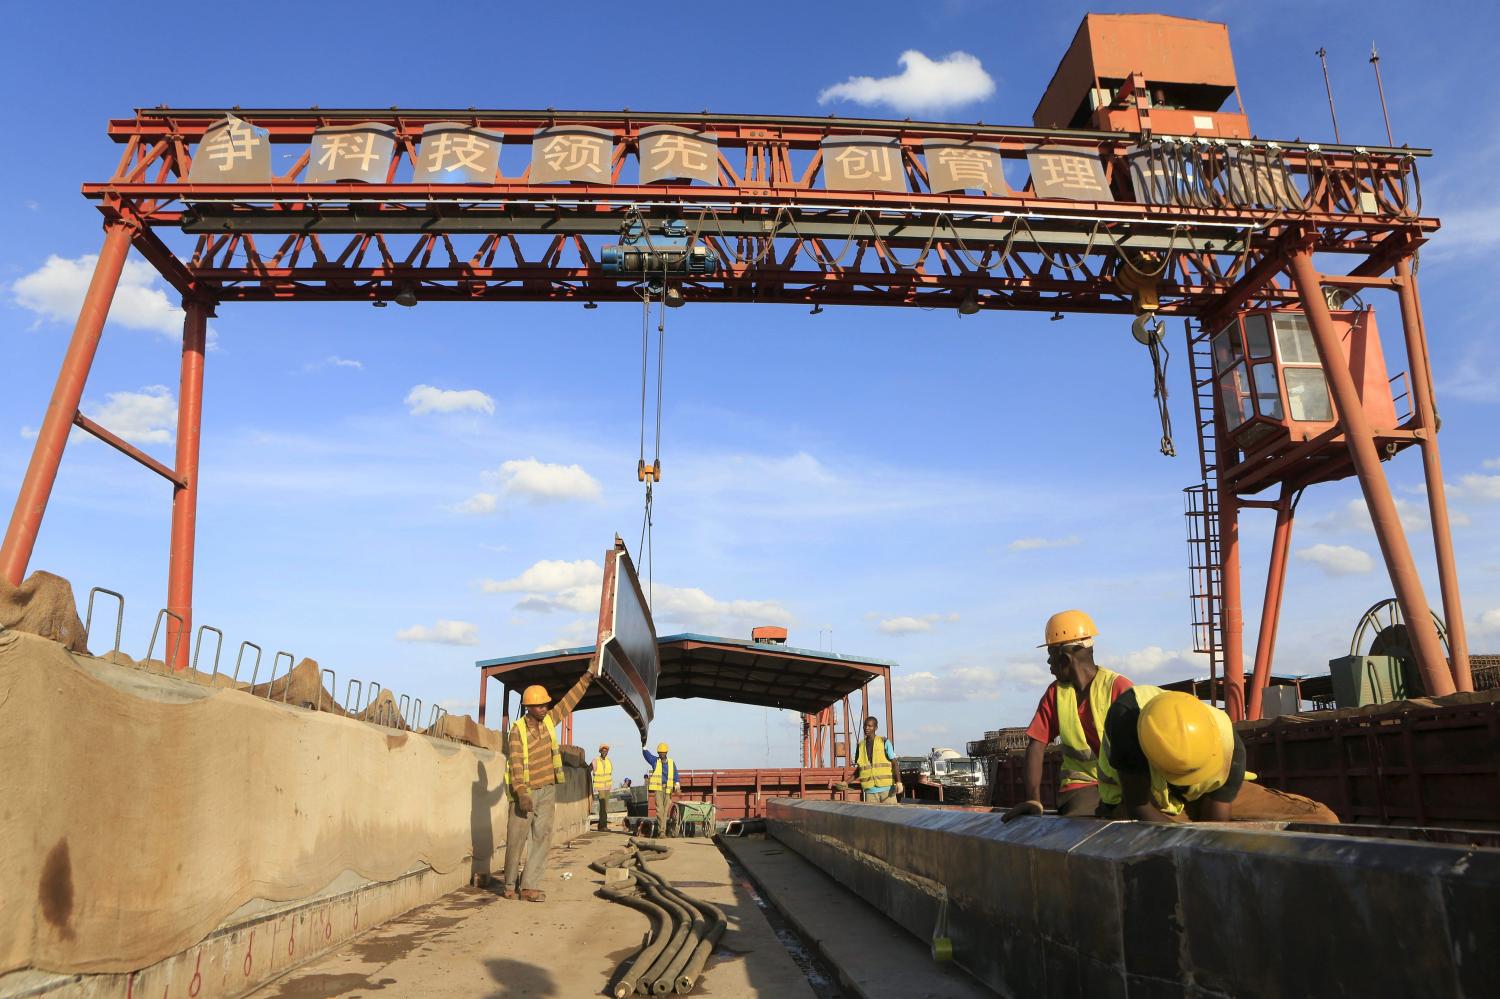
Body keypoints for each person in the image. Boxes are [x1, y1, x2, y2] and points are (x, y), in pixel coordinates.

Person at [1098, 686, 1338, 823]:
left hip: (1202, 796)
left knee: (1321, 819)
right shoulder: (1126, 720)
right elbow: (1139, 806)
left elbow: (1215, 826)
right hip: (1148, 804)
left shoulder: (1228, 743)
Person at [1002, 610, 1133, 821]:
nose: (1048, 663)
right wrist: (1034, 801)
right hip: (1082, 787)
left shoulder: (1117, 688)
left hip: (1125, 783)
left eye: (1050, 655)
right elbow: (1036, 746)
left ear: (1065, 657)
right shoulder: (1056, 694)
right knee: (1082, 828)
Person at [502, 670, 592, 901]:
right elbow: (515, 763)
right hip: (526, 791)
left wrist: (587, 676)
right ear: (529, 707)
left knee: (541, 838)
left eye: (545, 705)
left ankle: (529, 886)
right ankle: (510, 885)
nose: (545, 708)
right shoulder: (517, 731)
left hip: (548, 789)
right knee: (516, 838)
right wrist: (521, 792)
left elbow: (568, 702)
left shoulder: (549, 722)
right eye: (540, 706)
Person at [853, 715, 902, 803]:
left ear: (876, 728)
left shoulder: (884, 742)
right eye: (865, 725)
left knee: (891, 815)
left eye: (870, 726)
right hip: (870, 791)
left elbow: (894, 762)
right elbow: (860, 769)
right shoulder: (860, 745)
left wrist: (899, 782)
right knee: (871, 816)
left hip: (887, 790)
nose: (866, 728)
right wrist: (846, 782)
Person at [641, 742, 680, 836]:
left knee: (665, 811)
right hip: (658, 789)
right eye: (660, 753)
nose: (661, 754)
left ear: (666, 753)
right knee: (660, 810)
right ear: (658, 753)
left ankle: (663, 830)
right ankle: (661, 831)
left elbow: (675, 774)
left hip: (668, 789)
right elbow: (647, 755)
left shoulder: (671, 762)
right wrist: (644, 747)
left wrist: (677, 784)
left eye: (663, 753)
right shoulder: (655, 761)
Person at [592, 743, 614, 831]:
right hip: (600, 788)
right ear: (600, 751)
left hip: (607, 788)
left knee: (606, 808)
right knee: (603, 808)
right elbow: (588, 769)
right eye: (603, 751)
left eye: (606, 751)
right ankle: (603, 826)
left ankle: (601, 825)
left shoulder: (609, 761)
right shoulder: (595, 761)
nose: (605, 752)